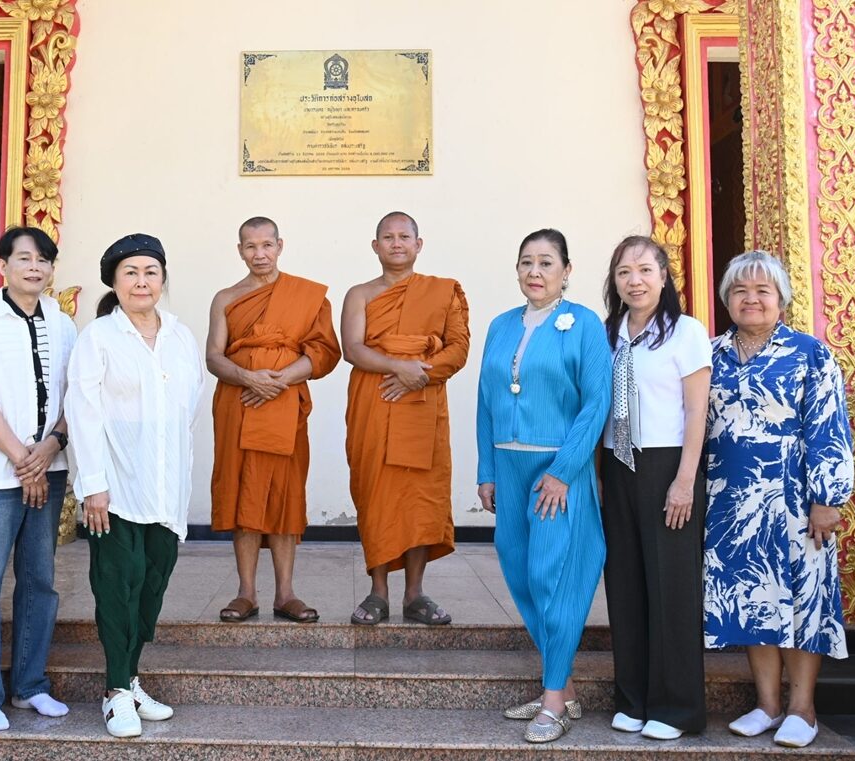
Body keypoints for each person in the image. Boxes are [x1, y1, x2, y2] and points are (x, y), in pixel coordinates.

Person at [704, 250, 854, 749]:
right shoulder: (710, 354)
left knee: (802, 601)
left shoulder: (810, 354)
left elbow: (829, 428)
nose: (751, 299)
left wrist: (826, 498)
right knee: (752, 599)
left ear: (781, 300)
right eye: (740, 291)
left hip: (795, 498)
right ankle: (768, 705)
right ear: (727, 299)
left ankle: (803, 710)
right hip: (731, 501)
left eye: (762, 291)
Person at [66, 234, 205, 738]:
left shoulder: (181, 336)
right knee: (116, 590)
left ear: (163, 278)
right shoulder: (98, 338)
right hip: (116, 492)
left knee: (152, 588)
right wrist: (94, 487)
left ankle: (131, 678)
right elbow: (83, 414)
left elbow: (187, 411)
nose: (141, 280)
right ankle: (114, 692)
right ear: (115, 282)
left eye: (150, 271)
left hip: (165, 491)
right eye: (131, 272)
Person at [476, 228, 611, 743]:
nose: (535, 271)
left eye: (547, 262)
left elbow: (595, 404)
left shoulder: (584, 326)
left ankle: (553, 699)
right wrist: (486, 470)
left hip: (558, 471)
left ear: (566, 271)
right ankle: (565, 685)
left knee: (553, 576)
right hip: (508, 470)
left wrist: (564, 469)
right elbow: (487, 401)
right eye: (527, 262)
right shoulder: (500, 325)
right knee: (521, 573)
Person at [0, 227, 78, 732]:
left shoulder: (65, 324)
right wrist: (22, 459)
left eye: (44, 260)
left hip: (50, 467)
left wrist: (49, 450)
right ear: (3, 264)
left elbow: (78, 395)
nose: (35, 267)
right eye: (24, 258)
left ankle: (29, 687)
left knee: (40, 582)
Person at [599, 235, 712, 740]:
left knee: (670, 586)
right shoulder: (609, 333)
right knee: (625, 582)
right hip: (616, 465)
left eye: (645, 270)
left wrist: (685, 481)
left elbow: (697, 411)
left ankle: (677, 708)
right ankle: (633, 698)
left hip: (667, 465)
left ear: (664, 277)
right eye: (625, 272)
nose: (635, 280)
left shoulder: (685, 332)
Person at [207, 217, 341, 624]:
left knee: (284, 496)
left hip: (285, 406)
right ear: (239, 250)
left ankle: (286, 593)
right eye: (250, 246)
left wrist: (279, 380)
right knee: (242, 492)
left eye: (267, 245)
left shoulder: (307, 295)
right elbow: (214, 356)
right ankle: (246, 592)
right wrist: (248, 377)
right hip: (238, 404)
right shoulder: (226, 297)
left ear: (280, 245)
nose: (259, 254)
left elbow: (323, 351)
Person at [343, 211, 470, 626]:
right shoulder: (359, 294)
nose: (396, 243)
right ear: (375, 246)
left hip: (423, 402)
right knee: (377, 493)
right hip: (376, 400)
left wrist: (419, 377)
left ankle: (415, 594)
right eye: (388, 237)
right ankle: (378, 593)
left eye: (404, 236)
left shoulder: (444, 291)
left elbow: (457, 349)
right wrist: (398, 368)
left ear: (419, 244)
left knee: (420, 498)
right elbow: (353, 349)